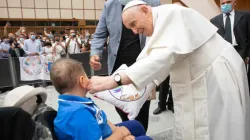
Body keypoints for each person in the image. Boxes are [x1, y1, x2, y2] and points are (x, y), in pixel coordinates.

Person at [88, 1, 250, 140]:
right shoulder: (156, 25)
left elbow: (164, 56)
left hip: (217, 76)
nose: (134, 31)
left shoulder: (173, 14)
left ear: (145, 10)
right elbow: (147, 62)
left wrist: (113, 80)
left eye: (133, 24)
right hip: (198, 79)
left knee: (220, 127)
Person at [89, 0, 160, 131]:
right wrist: (95, 54)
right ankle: (130, 131)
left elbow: (160, 31)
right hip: (117, 66)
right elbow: (99, 35)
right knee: (120, 104)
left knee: (142, 107)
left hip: (143, 66)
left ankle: (140, 134)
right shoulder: (110, 5)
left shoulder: (152, 2)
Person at [50, 58, 152, 140]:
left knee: (135, 125)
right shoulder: (78, 114)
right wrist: (121, 135)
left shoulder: (76, 101)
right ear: (82, 81)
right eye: (86, 76)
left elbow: (101, 119)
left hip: (102, 133)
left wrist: (117, 131)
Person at [210, 0, 250, 93]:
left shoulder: (245, 16)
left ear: (234, 3)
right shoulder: (214, 20)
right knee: (226, 81)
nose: (225, 5)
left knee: (240, 80)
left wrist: (248, 54)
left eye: (228, 2)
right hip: (223, 54)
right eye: (222, 3)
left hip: (240, 52)